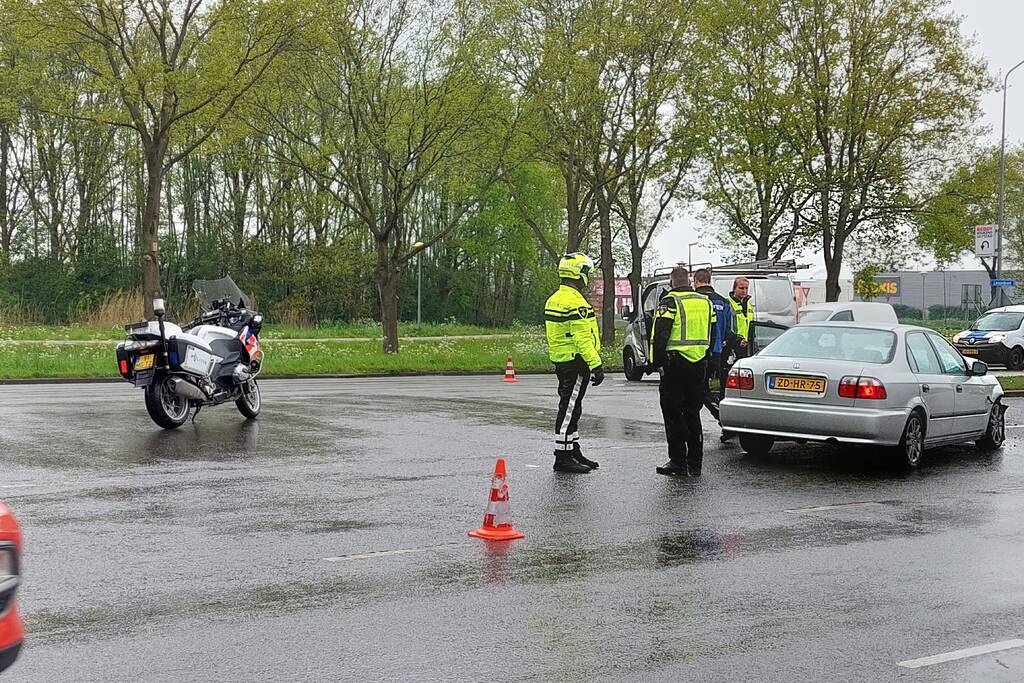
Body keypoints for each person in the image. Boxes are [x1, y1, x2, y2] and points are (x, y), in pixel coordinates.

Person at [651, 266, 715, 477]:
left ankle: (678, 462)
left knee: (673, 414)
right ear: (688, 280)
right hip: (699, 365)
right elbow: (712, 333)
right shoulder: (705, 302)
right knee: (692, 414)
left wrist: (657, 363)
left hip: (675, 366)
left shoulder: (670, 301)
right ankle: (695, 464)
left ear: (672, 281)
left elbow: (661, 334)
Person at [544, 253, 604, 474]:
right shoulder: (576, 302)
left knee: (572, 407)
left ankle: (573, 449)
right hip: (576, 361)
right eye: (585, 272)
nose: (587, 276)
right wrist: (596, 365)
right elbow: (582, 338)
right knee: (569, 409)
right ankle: (562, 456)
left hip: (563, 359)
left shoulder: (555, 298)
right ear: (577, 273)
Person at [693, 269, 736, 420]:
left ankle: (724, 417)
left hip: (696, 353)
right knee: (707, 390)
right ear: (709, 280)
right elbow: (726, 331)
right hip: (717, 353)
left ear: (695, 281)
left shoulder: (695, 300)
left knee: (700, 392)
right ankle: (725, 417)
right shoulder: (723, 302)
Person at [721, 277, 755, 442]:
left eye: (746, 288)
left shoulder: (748, 303)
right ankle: (727, 427)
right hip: (733, 345)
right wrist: (737, 340)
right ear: (734, 288)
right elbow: (728, 327)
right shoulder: (728, 303)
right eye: (741, 288)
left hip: (747, 346)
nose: (744, 291)